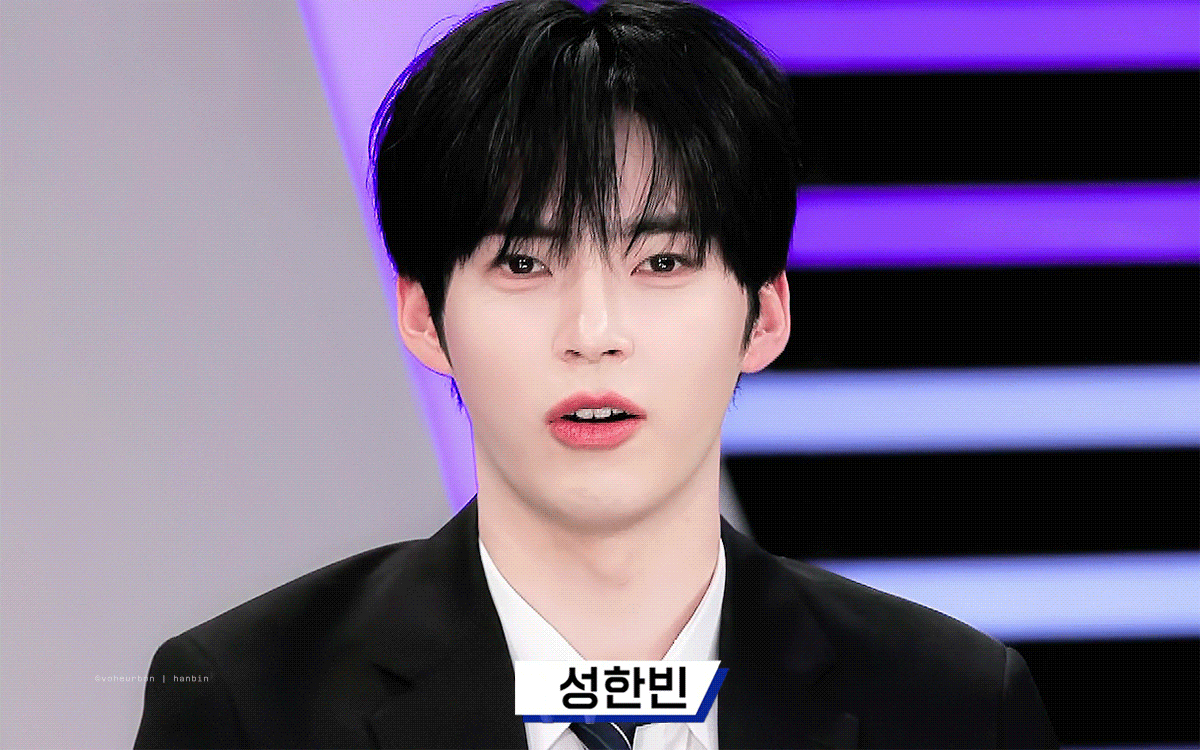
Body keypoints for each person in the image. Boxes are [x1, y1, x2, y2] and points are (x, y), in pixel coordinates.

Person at [134, 1, 1059, 747]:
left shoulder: (953, 708)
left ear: (764, 315)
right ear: (423, 315)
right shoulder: (250, 705)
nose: (594, 334)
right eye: (524, 264)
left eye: (662, 262)